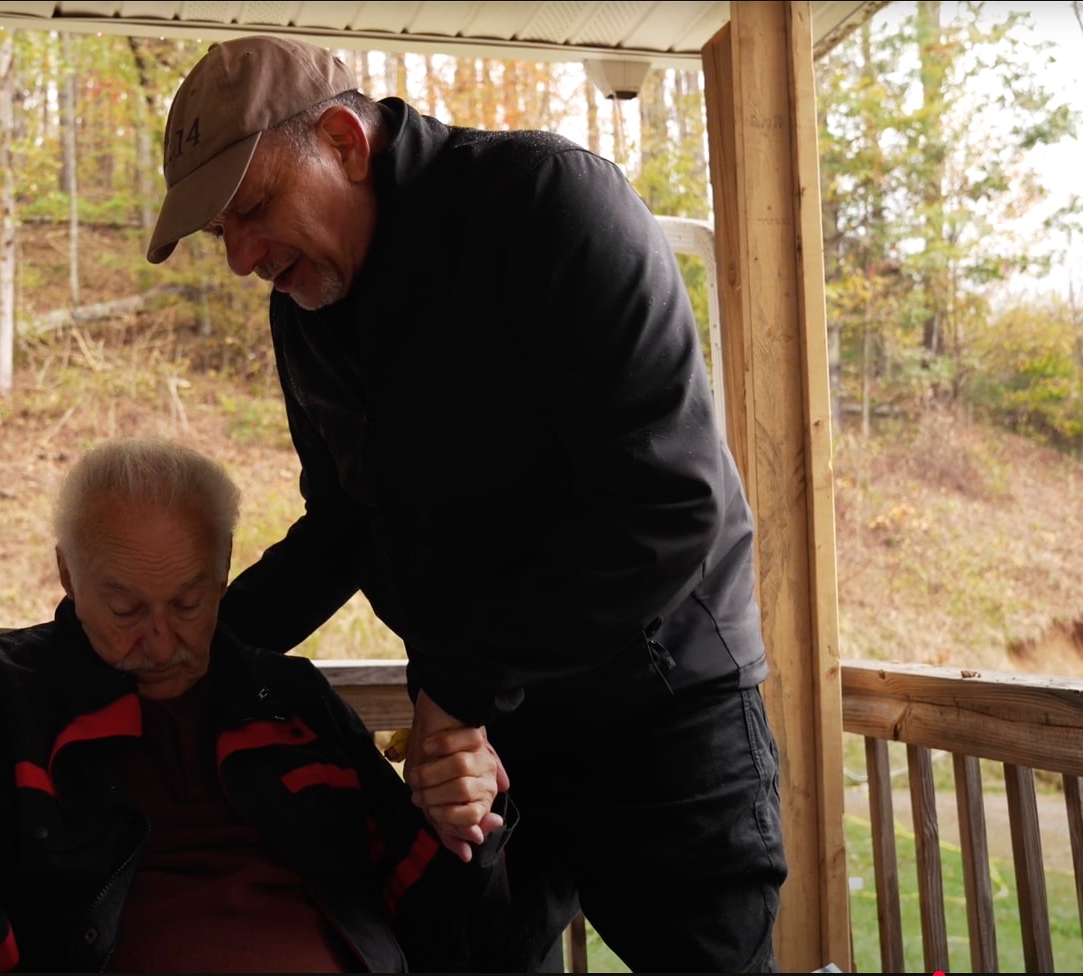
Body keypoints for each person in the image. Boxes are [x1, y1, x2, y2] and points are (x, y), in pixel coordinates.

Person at [144, 35, 787, 973]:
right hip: (487, 742)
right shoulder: (307, 316)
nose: (241, 258)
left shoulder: (549, 205)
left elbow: (666, 504)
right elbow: (345, 527)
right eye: (220, 236)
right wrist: (191, 643)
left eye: (252, 210)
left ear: (344, 143)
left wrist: (458, 684)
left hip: (660, 722)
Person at [0, 437, 513, 973]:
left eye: (189, 603)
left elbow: (441, 920)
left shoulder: (290, 699)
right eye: (124, 608)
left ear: (224, 568)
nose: (160, 642)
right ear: (67, 573)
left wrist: (460, 818)